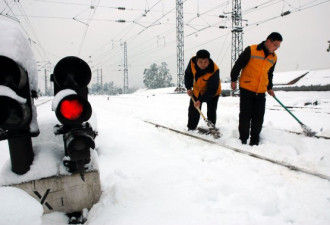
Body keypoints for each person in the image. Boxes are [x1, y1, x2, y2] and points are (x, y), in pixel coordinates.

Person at [230, 32, 283, 146]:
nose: (276, 48)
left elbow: (269, 74)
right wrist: (233, 79)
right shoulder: (251, 50)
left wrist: (269, 87)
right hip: (247, 89)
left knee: (258, 118)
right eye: (275, 45)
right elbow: (238, 64)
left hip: (261, 91)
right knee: (245, 116)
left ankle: (254, 141)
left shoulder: (274, 57)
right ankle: (243, 140)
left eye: (278, 46)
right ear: (268, 41)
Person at [184, 49, 221, 130]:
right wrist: (188, 87)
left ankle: (212, 129)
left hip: (212, 93)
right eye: (200, 62)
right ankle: (191, 128)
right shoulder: (192, 62)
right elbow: (188, 75)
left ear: (209, 61)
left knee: (211, 110)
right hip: (198, 90)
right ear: (196, 60)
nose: (203, 64)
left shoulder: (214, 70)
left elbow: (211, 89)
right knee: (193, 109)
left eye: (205, 62)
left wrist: (200, 100)